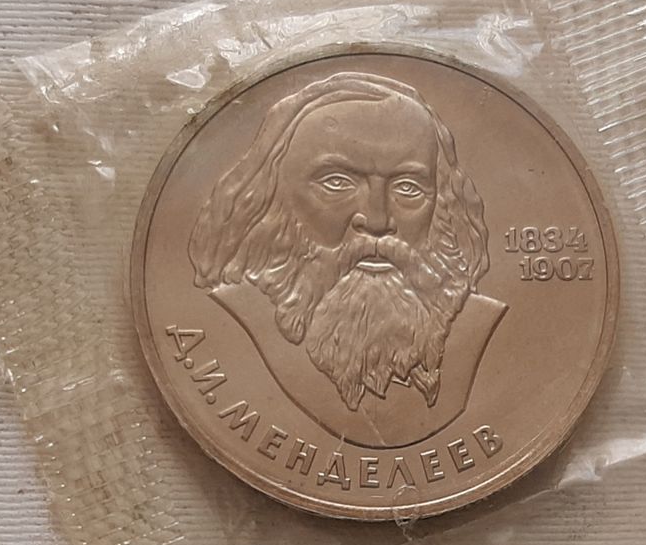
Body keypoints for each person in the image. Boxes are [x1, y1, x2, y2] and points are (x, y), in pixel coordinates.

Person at [189, 71, 506, 447]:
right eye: (336, 182)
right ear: (270, 198)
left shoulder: (484, 326)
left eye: (408, 187)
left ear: (441, 205)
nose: (377, 221)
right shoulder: (230, 321)